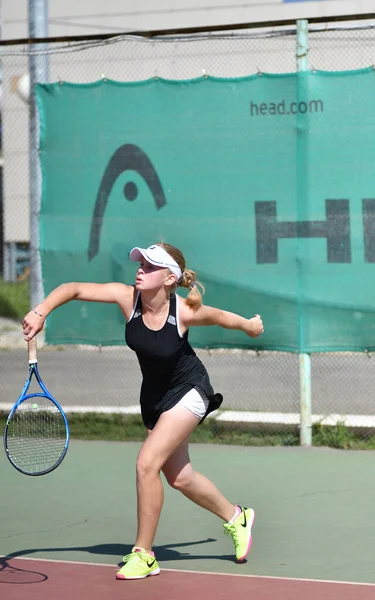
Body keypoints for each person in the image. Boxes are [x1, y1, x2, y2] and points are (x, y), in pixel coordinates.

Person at [22, 242, 264, 581]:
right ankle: (237, 517)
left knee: (146, 463)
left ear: (169, 278)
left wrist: (250, 326)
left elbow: (222, 317)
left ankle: (144, 554)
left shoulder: (184, 311)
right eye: (141, 263)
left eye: (150, 266)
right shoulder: (127, 299)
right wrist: (40, 310)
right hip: (153, 398)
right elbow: (73, 288)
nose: (140, 269)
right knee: (180, 477)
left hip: (190, 391)